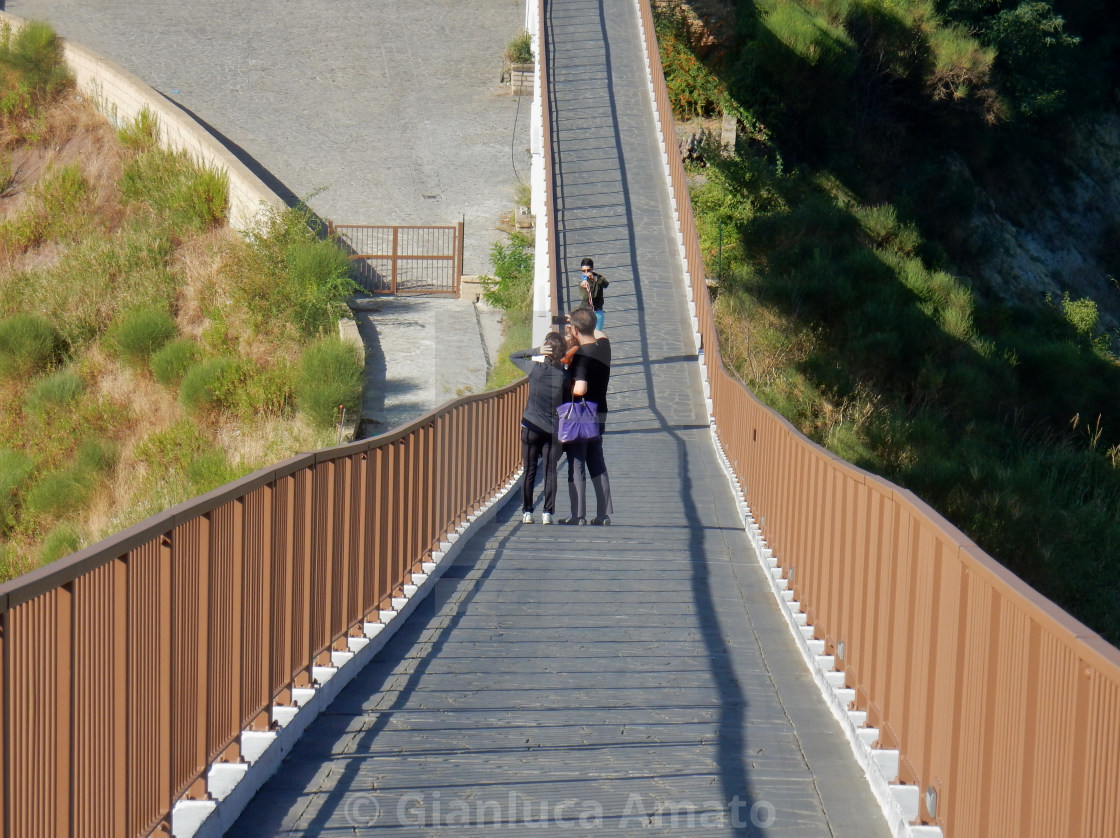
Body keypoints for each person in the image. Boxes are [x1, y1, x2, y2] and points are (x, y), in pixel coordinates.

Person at [509, 332, 569, 525]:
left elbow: (514, 356)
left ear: (546, 349)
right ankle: (547, 513)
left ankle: (527, 511)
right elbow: (567, 403)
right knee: (550, 471)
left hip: (531, 425)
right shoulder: (564, 376)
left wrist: (535, 351)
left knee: (529, 470)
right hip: (552, 430)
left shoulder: (535, 369)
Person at [562, 307, 612, 525]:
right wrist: (580, 322)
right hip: (600, 410)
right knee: (596, 461)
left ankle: (578, 514)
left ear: (574, 329)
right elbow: (600, 333)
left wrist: (567, 383)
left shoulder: (582, 356)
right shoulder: (603, 346)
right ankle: (603, 514)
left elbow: (580, 389)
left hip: (582, 414)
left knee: (577, 461)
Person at [578, 257, 609, 332]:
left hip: (597, 311)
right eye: (583, 271)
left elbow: (606, 284)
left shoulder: (599, 278)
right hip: (586, 312)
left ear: (592, 269)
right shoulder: (582, 282)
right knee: (586, 334)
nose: (586, 273)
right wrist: (584, 288)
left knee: (597, 333)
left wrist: (594, 280)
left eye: (588, 270)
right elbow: (585, 298)